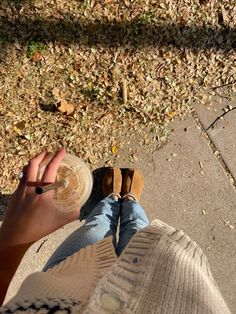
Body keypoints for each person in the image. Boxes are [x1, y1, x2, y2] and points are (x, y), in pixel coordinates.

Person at [0, 148, 231, 313]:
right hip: (163, 277)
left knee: (98, 224)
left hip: (67, 279)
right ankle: (129, 201)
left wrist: (12, 240)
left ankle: (111, 200)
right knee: (139, 232)